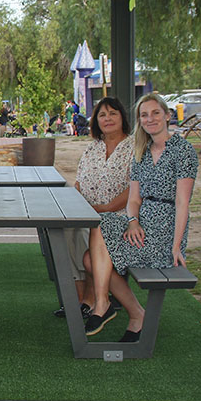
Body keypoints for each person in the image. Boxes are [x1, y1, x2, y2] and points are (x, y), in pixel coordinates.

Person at [84, 93, 198, 342]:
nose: (150, 119)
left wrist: (177, 246)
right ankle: (112, 306)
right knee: (97, 232)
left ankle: (122, 311)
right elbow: (134, 200)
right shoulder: (141, 152)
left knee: (92, 260)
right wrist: (132, 221)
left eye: (156, 113)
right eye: (144, 115)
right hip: (141, 224)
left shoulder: (183, 151)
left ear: (168, 116)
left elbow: (182, 203)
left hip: (166, 232)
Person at [57, 96, 132, 319]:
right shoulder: (93, 149)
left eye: (112, 113)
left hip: (119, 215)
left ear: (122, 117)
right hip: (89, 212)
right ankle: (80, 300)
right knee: (67, 230)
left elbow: (134, 190)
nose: (107, 118)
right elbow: (79, 182)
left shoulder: (134, 148)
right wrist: (79, 206)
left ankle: (92, 300)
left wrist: (106, 208)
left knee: (94, 233)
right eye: (102, 114)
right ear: (96, 121)